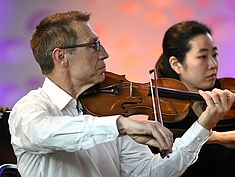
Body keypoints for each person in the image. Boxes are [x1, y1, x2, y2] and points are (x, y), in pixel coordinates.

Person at [8, 11, 234, 177]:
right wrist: (120, 125)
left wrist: (203, 126)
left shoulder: (106, 110)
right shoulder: (29, 109)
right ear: (61, 57)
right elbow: (48, 133)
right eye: (94, 45)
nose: (104, 54)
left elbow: (152, 172)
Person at [156, 20, 235, 177]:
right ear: (176, 64)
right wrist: (219, 137)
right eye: (202, 56)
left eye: (215, 54)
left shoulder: (226, 90)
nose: (213, 64)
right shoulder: (166, 113)